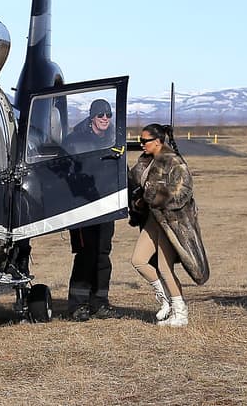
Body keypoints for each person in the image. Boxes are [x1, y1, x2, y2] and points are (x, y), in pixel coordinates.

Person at [129, 123, 209, 327]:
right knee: (138, 260)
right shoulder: (145, 161)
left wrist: (155, 196)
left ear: (157, 141)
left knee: (165, 268)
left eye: (144, 141)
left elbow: (183, 193)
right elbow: (136, 185)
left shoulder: (174, 162)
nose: (141, 144)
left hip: (171, 222)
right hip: (153, 220)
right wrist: (138, 200)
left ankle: (180, 312)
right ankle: (165, 298)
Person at [62, 99, 118, 321]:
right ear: (92, 116)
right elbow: (63, 174)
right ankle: (77, 305)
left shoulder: (114, 140)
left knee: (103, 255)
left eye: (108, 115)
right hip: (83, 209)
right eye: (100, 115)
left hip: (107, 206)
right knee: (86, 254)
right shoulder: (74, 140)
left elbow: (120, 171)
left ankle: (100, 302)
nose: (105, 118)